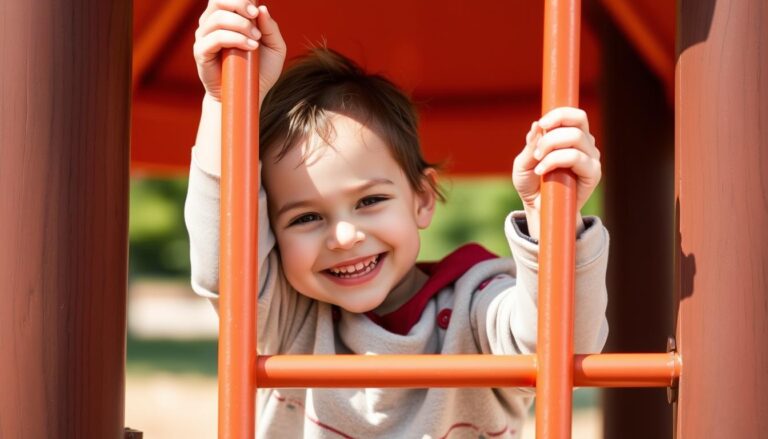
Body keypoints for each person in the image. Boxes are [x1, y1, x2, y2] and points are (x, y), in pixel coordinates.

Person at [185, 2, 609, 437]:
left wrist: (548, 217)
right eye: (306, 217)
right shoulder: (290, 319)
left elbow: (562, 345)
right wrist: (225, 102)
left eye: (369, 201)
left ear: (422, 199)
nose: (345, 236)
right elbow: (226, 264)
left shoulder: (476, 310)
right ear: (271, 233)